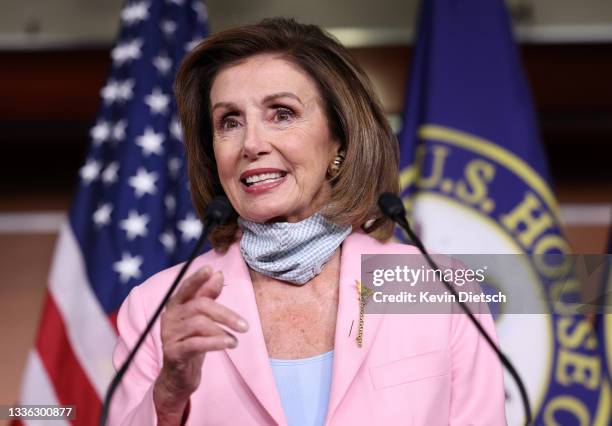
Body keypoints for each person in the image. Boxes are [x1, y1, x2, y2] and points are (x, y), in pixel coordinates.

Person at [110, 18, 506, 426]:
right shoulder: (157, 306)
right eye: (229, 121)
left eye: (281, 114)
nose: (251, 144)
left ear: (339, 140)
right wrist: (168, 397)